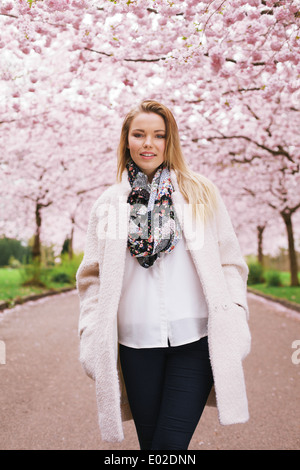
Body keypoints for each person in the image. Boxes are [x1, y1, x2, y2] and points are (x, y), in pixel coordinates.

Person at [76, 100, 251, 450]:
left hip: (195, 341)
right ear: (126, 140)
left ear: (170, 142)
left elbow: (230, 262)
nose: (148, 143)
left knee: (168, 447)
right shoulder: (109, 204)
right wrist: (91, 333)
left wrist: (235, 312)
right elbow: (91, 278)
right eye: (139, 134)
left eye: (158, 135)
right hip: (135, 346)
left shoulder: (199, 193)